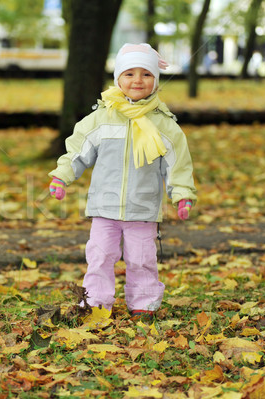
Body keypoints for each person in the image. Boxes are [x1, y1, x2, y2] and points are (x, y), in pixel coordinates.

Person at [48, 43, 197, 319]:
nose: (137, 80)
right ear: (118, 78)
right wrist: (61, 176)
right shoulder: (101, 119)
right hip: (105, 208)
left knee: (141, 259)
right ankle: (95, 303)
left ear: (156, 80)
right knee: (100, 256)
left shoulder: (165, 125)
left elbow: (178, 164)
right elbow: (77, 151)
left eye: (146, 74)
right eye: (129, 74)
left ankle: (143, 304)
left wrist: (182, 194)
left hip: (142, 208)